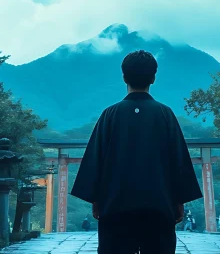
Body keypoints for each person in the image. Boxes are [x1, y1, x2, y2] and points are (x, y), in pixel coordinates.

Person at [71, 50, 203, 254]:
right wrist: (179, 202)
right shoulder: (164, 114)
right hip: (159, 207)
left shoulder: (110, 115)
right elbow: (179, 162)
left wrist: (97, 202)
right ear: (153, 77)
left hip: (115, 208)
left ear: (124, 76)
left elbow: (95, 162)